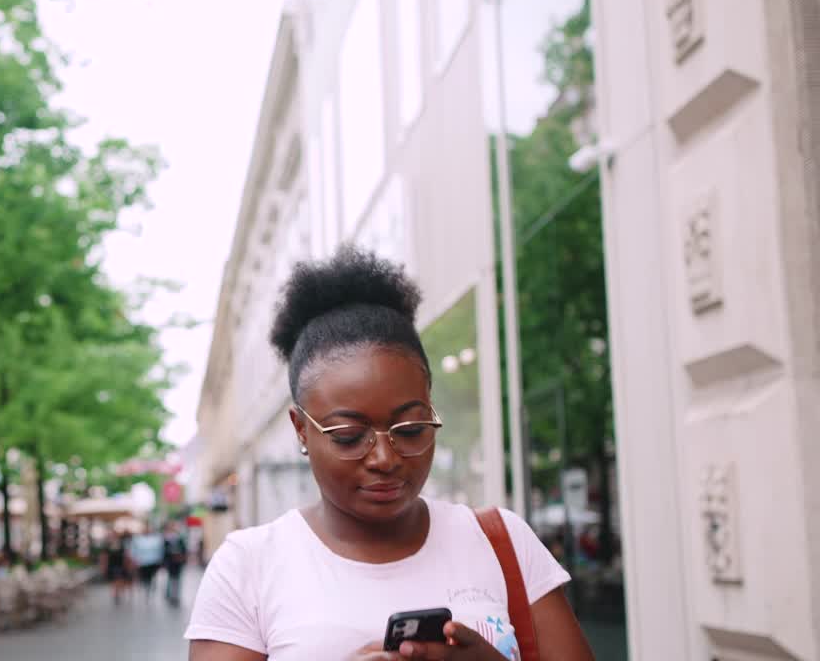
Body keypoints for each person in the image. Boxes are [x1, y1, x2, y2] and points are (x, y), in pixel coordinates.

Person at [185, 247, 596, 660]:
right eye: (349, 436)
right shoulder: (249, 567)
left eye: (411, 429)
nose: (384, 457)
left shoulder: (500, 541)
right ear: (301, 430)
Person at [129, 525, 165, 601]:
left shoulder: (156, 539)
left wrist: (160, 560)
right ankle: (146, 588)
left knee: (151, 576)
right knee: (144, 576)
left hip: (153, 561)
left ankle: (150, 587)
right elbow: (133, 550)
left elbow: (160, 550)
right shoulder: (137, 539)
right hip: (142, 562)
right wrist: (134, 560)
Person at [163, 520, 189, 607]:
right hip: (171, 563)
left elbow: (184, 550)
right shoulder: (167, 539)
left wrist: (182, 558)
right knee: (171, 579)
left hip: (178, 563)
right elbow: (165, 552)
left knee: (177, 580)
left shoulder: (180, 539)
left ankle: (176, 596)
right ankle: (171, 595)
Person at [101, 532, 131, 605]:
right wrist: (104, 566)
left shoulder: (121, 545)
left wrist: (127, 565)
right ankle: (115, 593)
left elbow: (125, 556)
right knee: (114, 581)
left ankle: (116, 592)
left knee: (119, 580)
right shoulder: (107, 546)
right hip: (112, 566)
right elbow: (104, 557)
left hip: (120, 565)